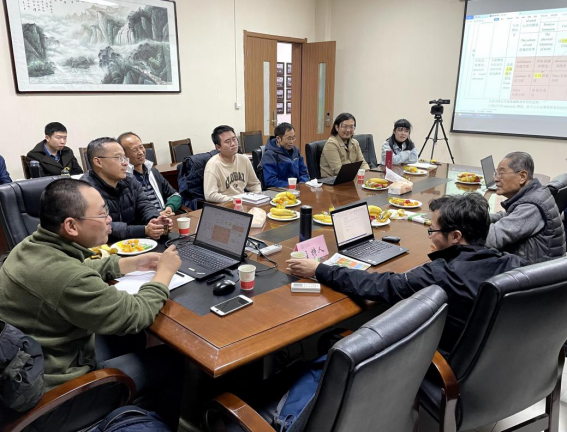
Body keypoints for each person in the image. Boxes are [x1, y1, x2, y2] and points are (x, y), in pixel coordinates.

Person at [0, 178, 183, 429]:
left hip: (30, 366)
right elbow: (135, 314)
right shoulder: (67, 278)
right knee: (172, 359)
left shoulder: (29, 246)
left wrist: (129, 263)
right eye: (102, 214)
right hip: (53, 395)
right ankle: (149, 422)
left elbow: (75, 267)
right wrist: (164, 274)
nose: (109, 219)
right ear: (71, 225)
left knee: (132, 340)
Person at [287, 193, 527, 354]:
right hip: (495, 360)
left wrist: (319, 269)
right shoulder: (514, 263)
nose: (431, 236)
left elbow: (380, 284)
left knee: (335, 336)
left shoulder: (442, 275)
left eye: (433, 230)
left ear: (456, 236)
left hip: (443, 360)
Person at [82, 137, 173, 241]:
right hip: (105, 246)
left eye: (125, 158)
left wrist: (156, 220)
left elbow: (145, 205)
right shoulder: (85, 190)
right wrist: (143, 230)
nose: (125, 163)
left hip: (136, 243)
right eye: (118, 158)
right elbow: (101, 226)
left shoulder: (130, 180)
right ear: (98, 162)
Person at [486, 152, 565, 263]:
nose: (496, 179)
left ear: (522, 176)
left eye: (501, 173)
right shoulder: (536, 193)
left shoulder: (531, 207)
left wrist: (465, 229)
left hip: (532, 269)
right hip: (534, 262)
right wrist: (476, 218)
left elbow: (492, 239)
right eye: (496, 173)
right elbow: (509, 216)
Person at [118, 132, 182, 217]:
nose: (140, 152)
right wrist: (156, 215)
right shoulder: (123, 178)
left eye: (141, 147)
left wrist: (169, 207)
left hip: (165, 219)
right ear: (124, 155)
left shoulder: (152, 171)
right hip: (146, 222)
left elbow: (175, 195)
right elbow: (128, 214)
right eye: (134, 150)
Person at [204, 125, 262, 203]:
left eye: (234, 139)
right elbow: (210, 195)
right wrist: (235, 200)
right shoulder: (213, 165)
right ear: (218, 147)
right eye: (227, 141)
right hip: (225, 205)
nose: (233, 144)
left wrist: (256, 197)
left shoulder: (244, 160)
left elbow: (254, 184)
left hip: (244, 203)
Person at [320, 113, 370, 178]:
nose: (348, 130)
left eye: (351, 127)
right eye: (345, 126)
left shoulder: (355, 143)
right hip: (332, 181)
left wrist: (368, 176)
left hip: (349, 178)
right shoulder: (331, 144)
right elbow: (338, 170)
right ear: (337, 127)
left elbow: (363, 164)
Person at [262, 123, 310, 188]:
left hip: (297, 188)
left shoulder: (295, 150)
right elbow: (270, 180)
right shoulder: (270, 155)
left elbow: (304, 173)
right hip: (281, 190)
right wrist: (292, 186)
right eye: (289, 138)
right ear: (278, 138)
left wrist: (301, 185)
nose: (291, 141)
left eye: (293, 138)